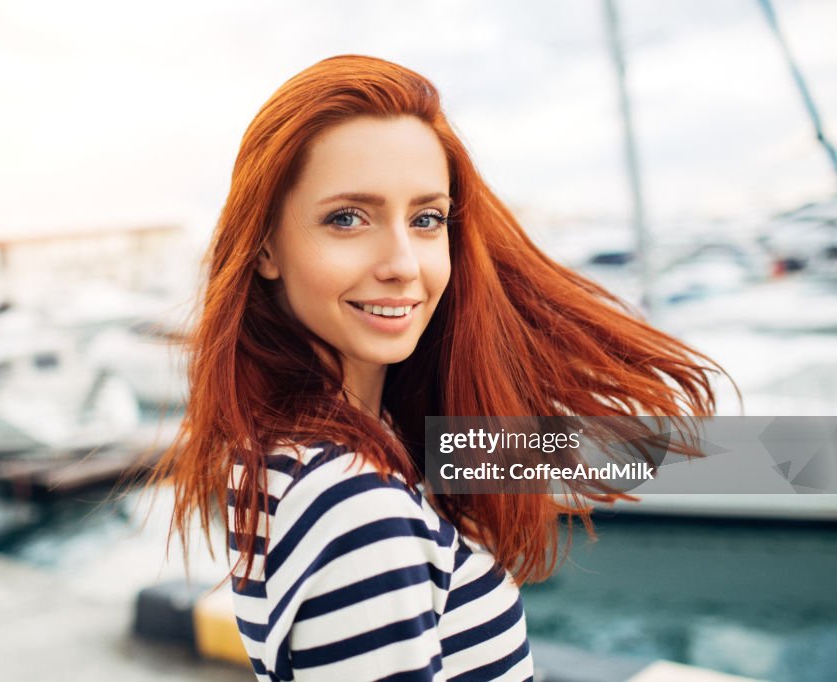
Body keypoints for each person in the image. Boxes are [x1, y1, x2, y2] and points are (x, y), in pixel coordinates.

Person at [152, 55, 720, 681]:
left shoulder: (318, 442)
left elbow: (601, 453)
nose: (403, 263)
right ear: (265, 248)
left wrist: (792, 459)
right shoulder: (356, 503)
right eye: (348, 218)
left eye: (427, 219)